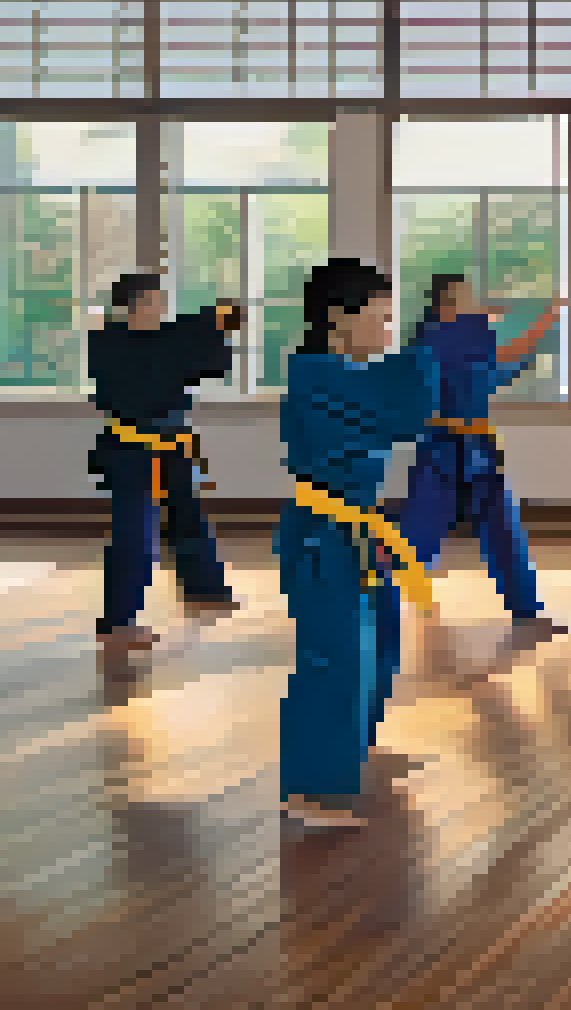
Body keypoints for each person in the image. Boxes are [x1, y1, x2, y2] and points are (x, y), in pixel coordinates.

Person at [277, 258, 442, 828]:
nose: (385, 331)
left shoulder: (339, 370)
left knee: (379, 645)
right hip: (325, 534)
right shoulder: (316, 374)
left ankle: (348, 750)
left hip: (358, 528)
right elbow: (402, 409)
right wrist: (436, 341)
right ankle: (312, 790)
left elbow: (391, 397)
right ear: (336, 318)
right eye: (378, 318)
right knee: (336, 655)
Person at [86, 272, 245, 654]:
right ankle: (118, 623)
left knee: (189, 515)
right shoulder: (108, 343)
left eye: (162, 302)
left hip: (172, 445)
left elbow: (207, 366)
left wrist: (218, 323)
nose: (161, 309)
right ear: (134, 305)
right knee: (135, 532)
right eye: (155, 302)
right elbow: (155, 374)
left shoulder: (167, 338)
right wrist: (204, 328)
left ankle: (206, 589)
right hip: (130, 449)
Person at [397, 275, 563, 629]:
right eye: (467, 296)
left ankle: (528, 610)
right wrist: (543, 320)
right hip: (440, 450)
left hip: (479, 451)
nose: (475, 302)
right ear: (445, 304)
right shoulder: (432, 339)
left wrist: (540, 326)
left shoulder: (470, 339)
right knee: (417, 535)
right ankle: (376, 609)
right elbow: (497, 353)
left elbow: (500, 369)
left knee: (505, 530)